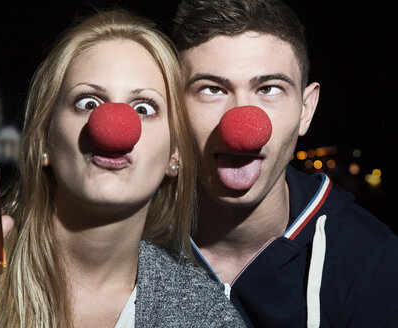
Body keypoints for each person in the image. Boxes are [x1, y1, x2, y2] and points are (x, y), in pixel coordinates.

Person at [0, 9, 247, 328]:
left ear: (175, 155)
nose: (113, 125)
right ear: (43, 142)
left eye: (143, 107)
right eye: (88, 103)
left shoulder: (205, 315)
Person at [171, 0, 398, 327]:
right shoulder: (121, 241)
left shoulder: (373, 259)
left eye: (269, 89)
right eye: (211, 89)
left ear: (305, 109)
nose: (242, 129)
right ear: (174, 108)